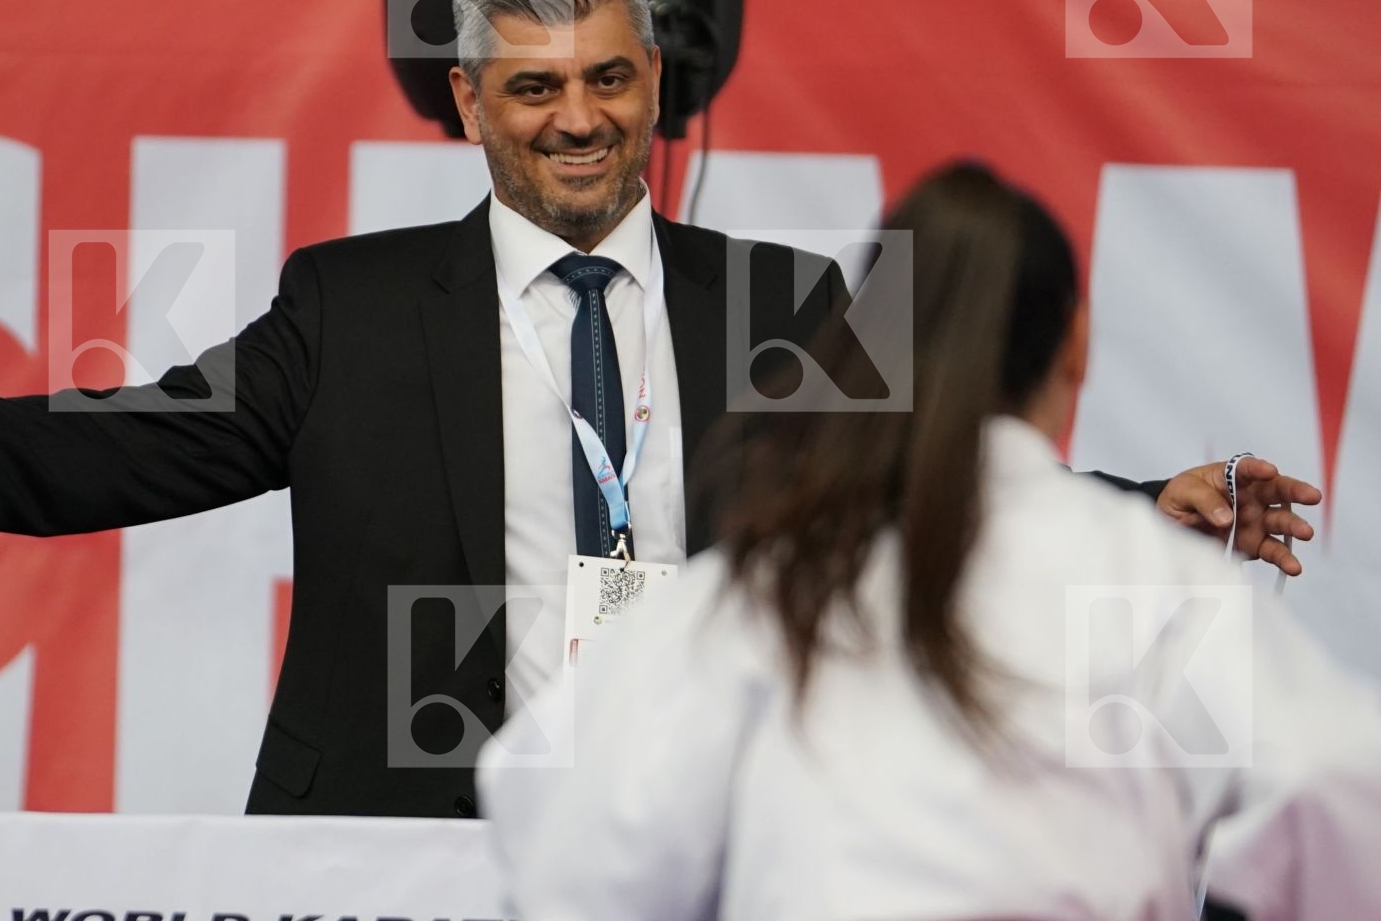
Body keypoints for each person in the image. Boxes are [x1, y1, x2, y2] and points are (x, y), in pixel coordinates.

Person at [0, 0, 1318, 819]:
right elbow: (161, 441)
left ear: (655, 86)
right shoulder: (351, 308)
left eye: (610, 78)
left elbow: (935, 481)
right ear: (470, 103)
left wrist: (1145, 504)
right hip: (398, 841)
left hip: (701, 838)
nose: (579, 119)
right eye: (535, 88)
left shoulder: (781, 303)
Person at [478, 163, 1381, 919]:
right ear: (1076, 344)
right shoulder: (1149, 584)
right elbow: (1339, 783)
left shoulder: (758, 590)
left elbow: (567, 843)